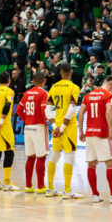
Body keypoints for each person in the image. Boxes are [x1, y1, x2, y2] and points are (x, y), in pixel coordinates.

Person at [79, 78, 112, 203]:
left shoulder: (88, 95)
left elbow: (81, 113)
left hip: (90, 133)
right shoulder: (109, 95)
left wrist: (81, 131)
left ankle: (95, 195)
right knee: (110, 163)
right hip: (102, 133)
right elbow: (109, 112)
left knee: (91, 164)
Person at [46, 64, 81, 199]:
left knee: (54, 155)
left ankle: (50, 188)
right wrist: (61, 129)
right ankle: (67, 190)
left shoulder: (53, 88)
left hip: (56, 125)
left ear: (60, 72)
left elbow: (47, 110)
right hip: (68, 126)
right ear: (71, 72)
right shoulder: (74, 87)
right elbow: (72, 109)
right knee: (69, 156)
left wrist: (55, 127)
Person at [19, 72, 50, 193]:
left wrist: (26, 119)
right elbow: (44, 110)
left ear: (33, 81)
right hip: (39, 127)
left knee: (30, 157)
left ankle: (28, 186)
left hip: (28, 127)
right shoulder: (44, 93)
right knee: (41, 157)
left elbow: (18, 109)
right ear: (44, 81)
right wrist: (48, 122)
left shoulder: (27, 93)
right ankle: (41, 187)